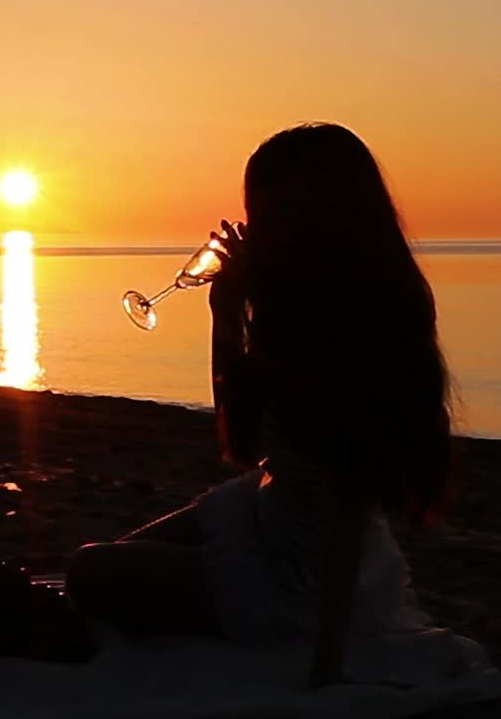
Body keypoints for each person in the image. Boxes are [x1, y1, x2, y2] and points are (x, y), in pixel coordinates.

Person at [66, 122, 455, 687]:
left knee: (90, 572)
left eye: (263, 211)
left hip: (301, 576)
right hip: (263, 513)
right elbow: (244, 444)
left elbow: (349, 501)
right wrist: (227, 313)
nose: (251, 227)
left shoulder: (355, 328)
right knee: (112, 559)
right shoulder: (295, 304)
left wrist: (327, 662)